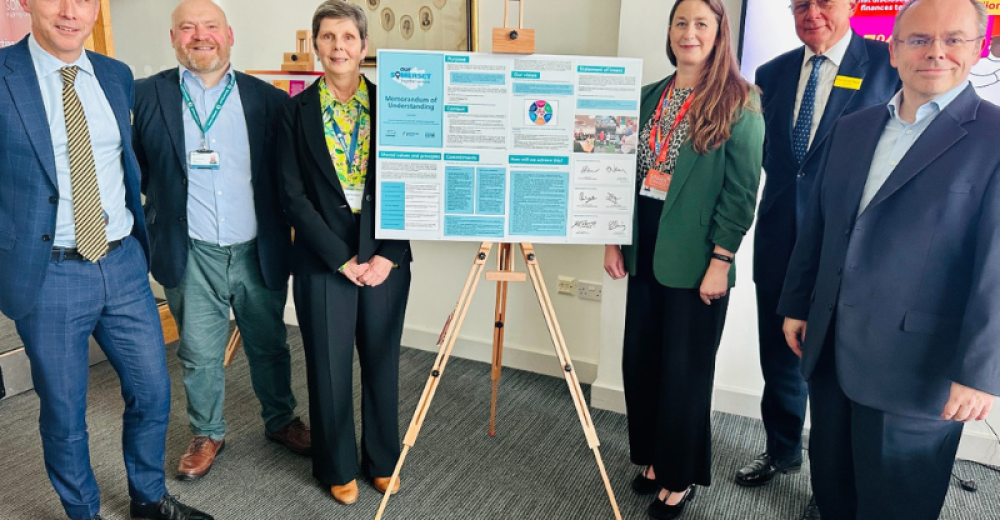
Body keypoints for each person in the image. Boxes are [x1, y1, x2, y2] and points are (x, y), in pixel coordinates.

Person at [778, 0, 1000, 518]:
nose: (935, 52)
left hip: (919, 370)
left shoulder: (994, 138)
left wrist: (982, 370)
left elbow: (997, 267)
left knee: (895, 506)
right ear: (894, 50)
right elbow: (818, 227)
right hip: (831, 351)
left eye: (954, 40)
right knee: (834, 492)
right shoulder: (853, 128)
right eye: (919, 40)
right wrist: (797, 302)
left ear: (979, 48)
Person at [0, 1, 212, 519]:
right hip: (47, 274)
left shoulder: (115, 75)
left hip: (121, 264)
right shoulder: (4, 75)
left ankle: (147, 499)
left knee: (153, 392)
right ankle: (84, 513)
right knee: (66, 414)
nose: (72, 11)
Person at [132, 0, 309, 481]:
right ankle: (207, 432)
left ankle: (280, 420)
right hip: (190, 252)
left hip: (256, 248)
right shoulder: (146, 95)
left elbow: (285, 177)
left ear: (229, 35)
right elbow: (135, 173)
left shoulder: (268, 99)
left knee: (269, 343)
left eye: (210, 26)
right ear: (173, 39)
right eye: (186, 28)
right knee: (198, 352)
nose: (199, 35)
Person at [603, 0, 763, 518]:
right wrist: (613, 237)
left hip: (700, 254)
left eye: (701, 24)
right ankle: (651, 458)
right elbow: (621, 174)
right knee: (641, 360)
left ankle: (680, 476)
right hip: (644, 239)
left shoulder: (741, 102)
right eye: (680, 22)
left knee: (684, 370)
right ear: (668, 32)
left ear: (719, 33)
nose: (688, 33)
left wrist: (721, 259)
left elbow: (741, 194)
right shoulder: (649, 96)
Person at [743, 2, 899, 517]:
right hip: (779, 241)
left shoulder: (887, 65)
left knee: (833, 371)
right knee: (779, 356)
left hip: (847, 248)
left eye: (825, 0)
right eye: (801, 3)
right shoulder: (771, 73)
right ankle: (782, 449)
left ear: (852, 5)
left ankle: (828, 482)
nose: (813, 12)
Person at [277, 0, 412, 506]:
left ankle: (381, 460)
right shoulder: (293, 112)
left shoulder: (396, 106)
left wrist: (387, 253)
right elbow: (291, 196)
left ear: (364, 47)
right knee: (329, 367)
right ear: (316, 45)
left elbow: (416, 186)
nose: (339, 47)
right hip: (322, 259)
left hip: (384, 258)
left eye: (348, 38)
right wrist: (340, 257)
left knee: (381, 361)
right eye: (328, 37)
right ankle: (335, 466)